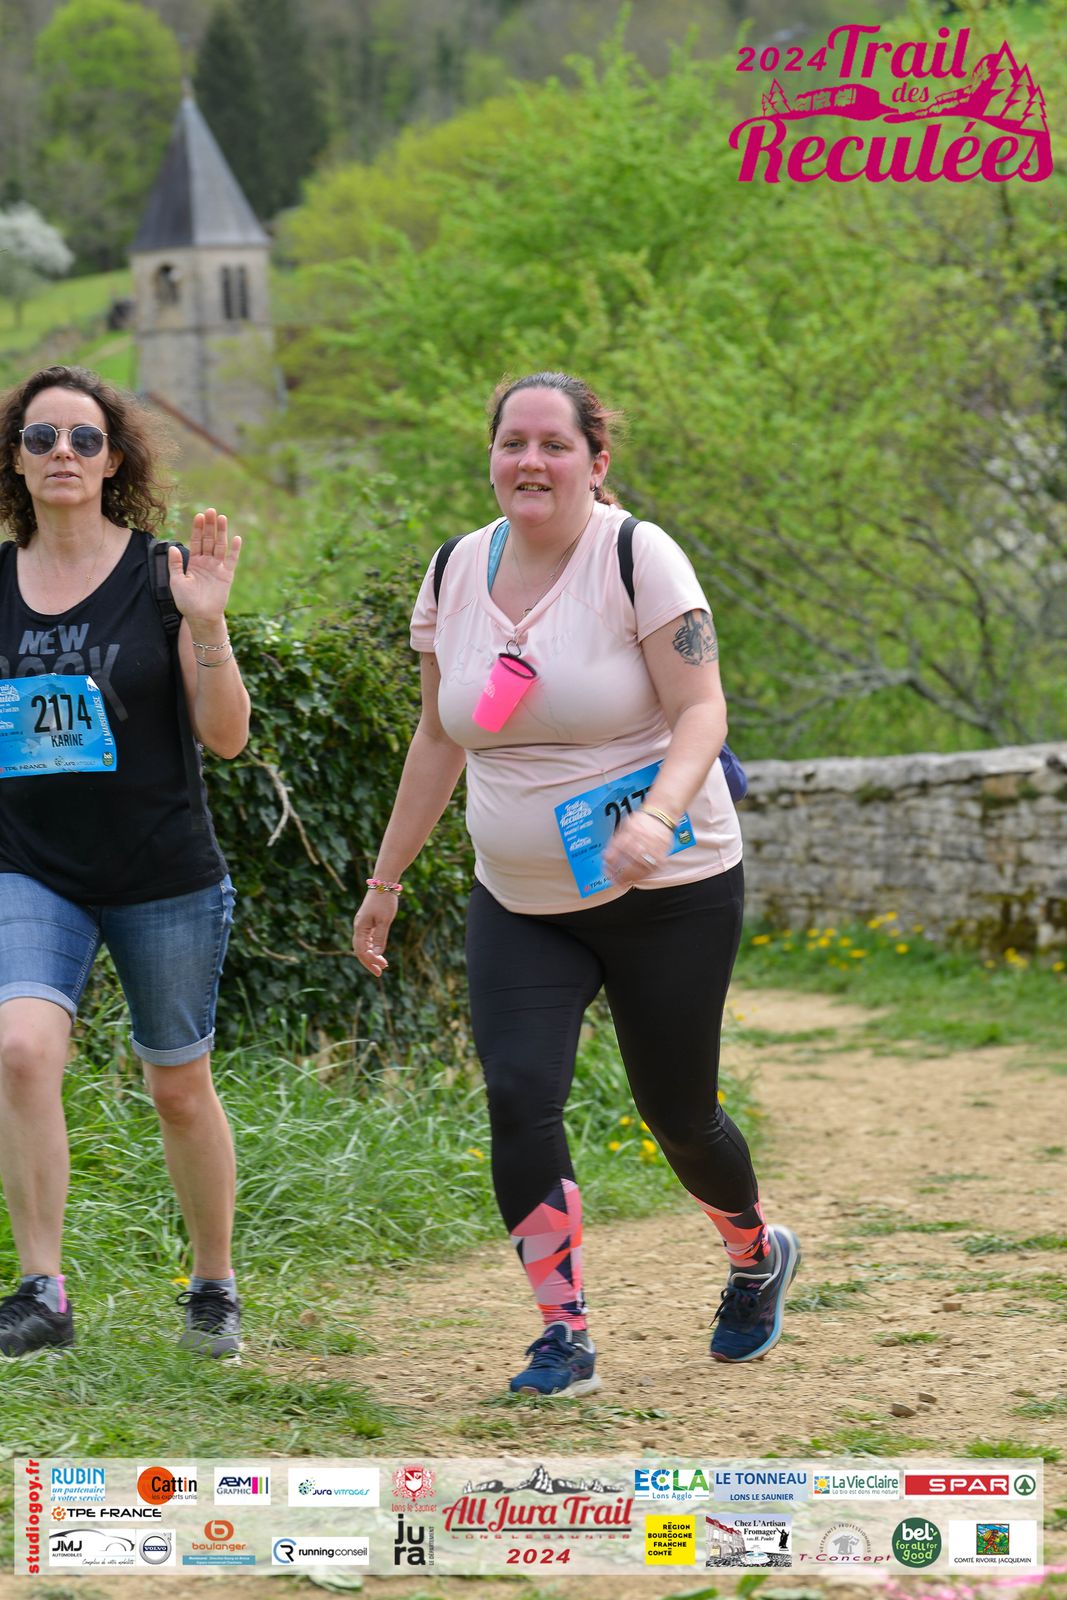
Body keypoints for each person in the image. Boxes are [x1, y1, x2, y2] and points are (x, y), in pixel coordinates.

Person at [353, 370, 798, 1396]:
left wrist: (654, 816)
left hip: (669, 885)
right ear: (490, 457)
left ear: (595, 463)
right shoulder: (452, 571)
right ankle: (562, 1331)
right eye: (512, 442)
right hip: (520, 898)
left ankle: (752, 1253)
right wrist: (386, 877)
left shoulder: (638, 555)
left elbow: (701, 711)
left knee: (677, 1112)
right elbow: (439, 736)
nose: (530, 461)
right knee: (518, 1095)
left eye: (554, 444)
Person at [0, 365, 249, 1359]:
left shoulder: (162, 577)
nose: (63, 452)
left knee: (178, 1087)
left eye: (84, 438)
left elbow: (225, 736)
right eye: (41, 437)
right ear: (17, 460)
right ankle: (42, 1292)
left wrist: (208, 624)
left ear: (113, 461)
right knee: (20, 1050)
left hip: (161, 869)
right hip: (31, 865)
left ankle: (213, 1284)